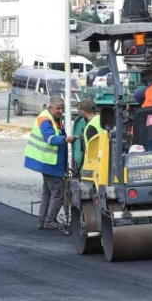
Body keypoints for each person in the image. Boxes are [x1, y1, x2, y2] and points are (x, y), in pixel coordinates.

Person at [24, 96, 76, 230]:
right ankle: (49, 220)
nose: (60, 111)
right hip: (49, 162)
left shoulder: (53, 118)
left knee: (47, 192)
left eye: (62, 108)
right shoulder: (45, 119)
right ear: (50, 107)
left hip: (48, 162)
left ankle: (42, 221)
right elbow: (50, 139)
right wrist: (66, 139)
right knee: (58, 193)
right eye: (58, 108)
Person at [78, 98, 102, 166]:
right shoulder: (102, 119)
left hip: (95, 164)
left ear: (83, 111)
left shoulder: (90, 127)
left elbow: (94, 149)